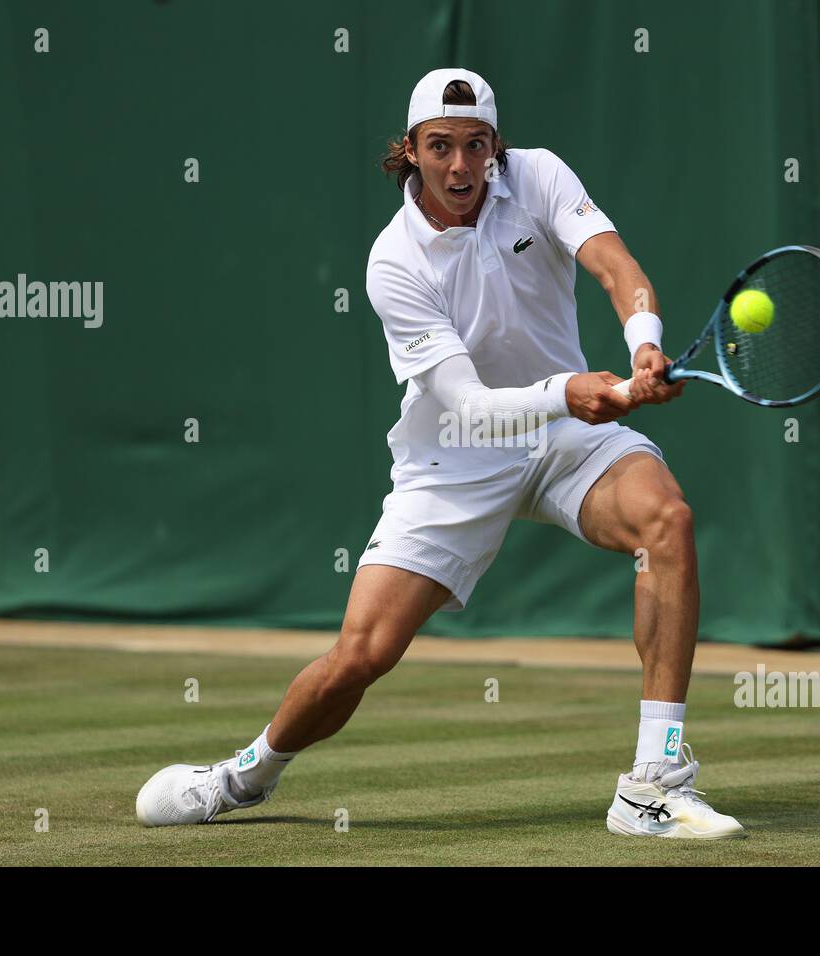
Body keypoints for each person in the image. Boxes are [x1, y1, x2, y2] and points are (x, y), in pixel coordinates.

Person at [136, 68, 744, 839]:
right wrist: (570, 392)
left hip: (564, 437)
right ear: (411, 151)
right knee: (363, 654)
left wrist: (645, 346)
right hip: (455, 455)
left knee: (667, 520)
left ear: (497, 146)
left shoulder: (541, 176)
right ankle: (247, 774)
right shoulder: (395, 261)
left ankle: (651, 784)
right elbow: (465, 406)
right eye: (441, 147)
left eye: (476, 146)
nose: (461, 167)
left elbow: (617, 270)